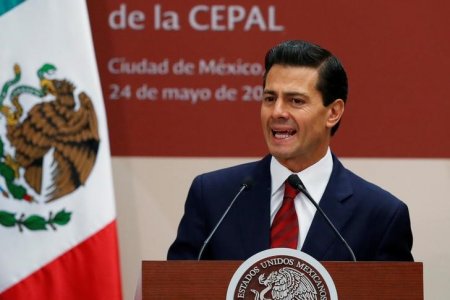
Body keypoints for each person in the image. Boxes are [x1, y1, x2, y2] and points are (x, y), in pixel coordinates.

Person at [167, 40, 413, 261]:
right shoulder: (214, 196)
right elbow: (177, 288)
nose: (277, 112)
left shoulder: (380, 215)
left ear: (333, 112)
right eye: (270, 98)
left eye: (296, 101)